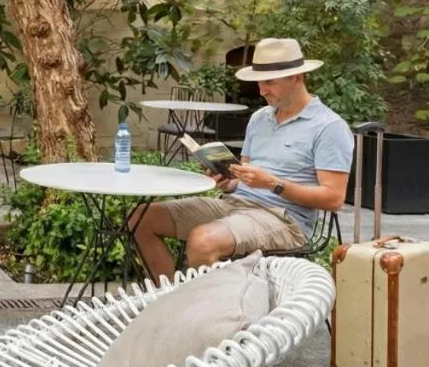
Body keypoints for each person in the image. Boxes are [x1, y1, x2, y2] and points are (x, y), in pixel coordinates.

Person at [131, 38, 352, 281]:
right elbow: (243, 176)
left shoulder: (329, 127)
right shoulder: (259, 118)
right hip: (234, 205)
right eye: (259, 82)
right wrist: (227, 180)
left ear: (296, 78)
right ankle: (173, 300)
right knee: (141, 218)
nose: (262, 90)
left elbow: (334, 198)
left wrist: (274, 184)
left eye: (270, 82)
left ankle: (209, 317)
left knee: (203, 241)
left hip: (283, 219)